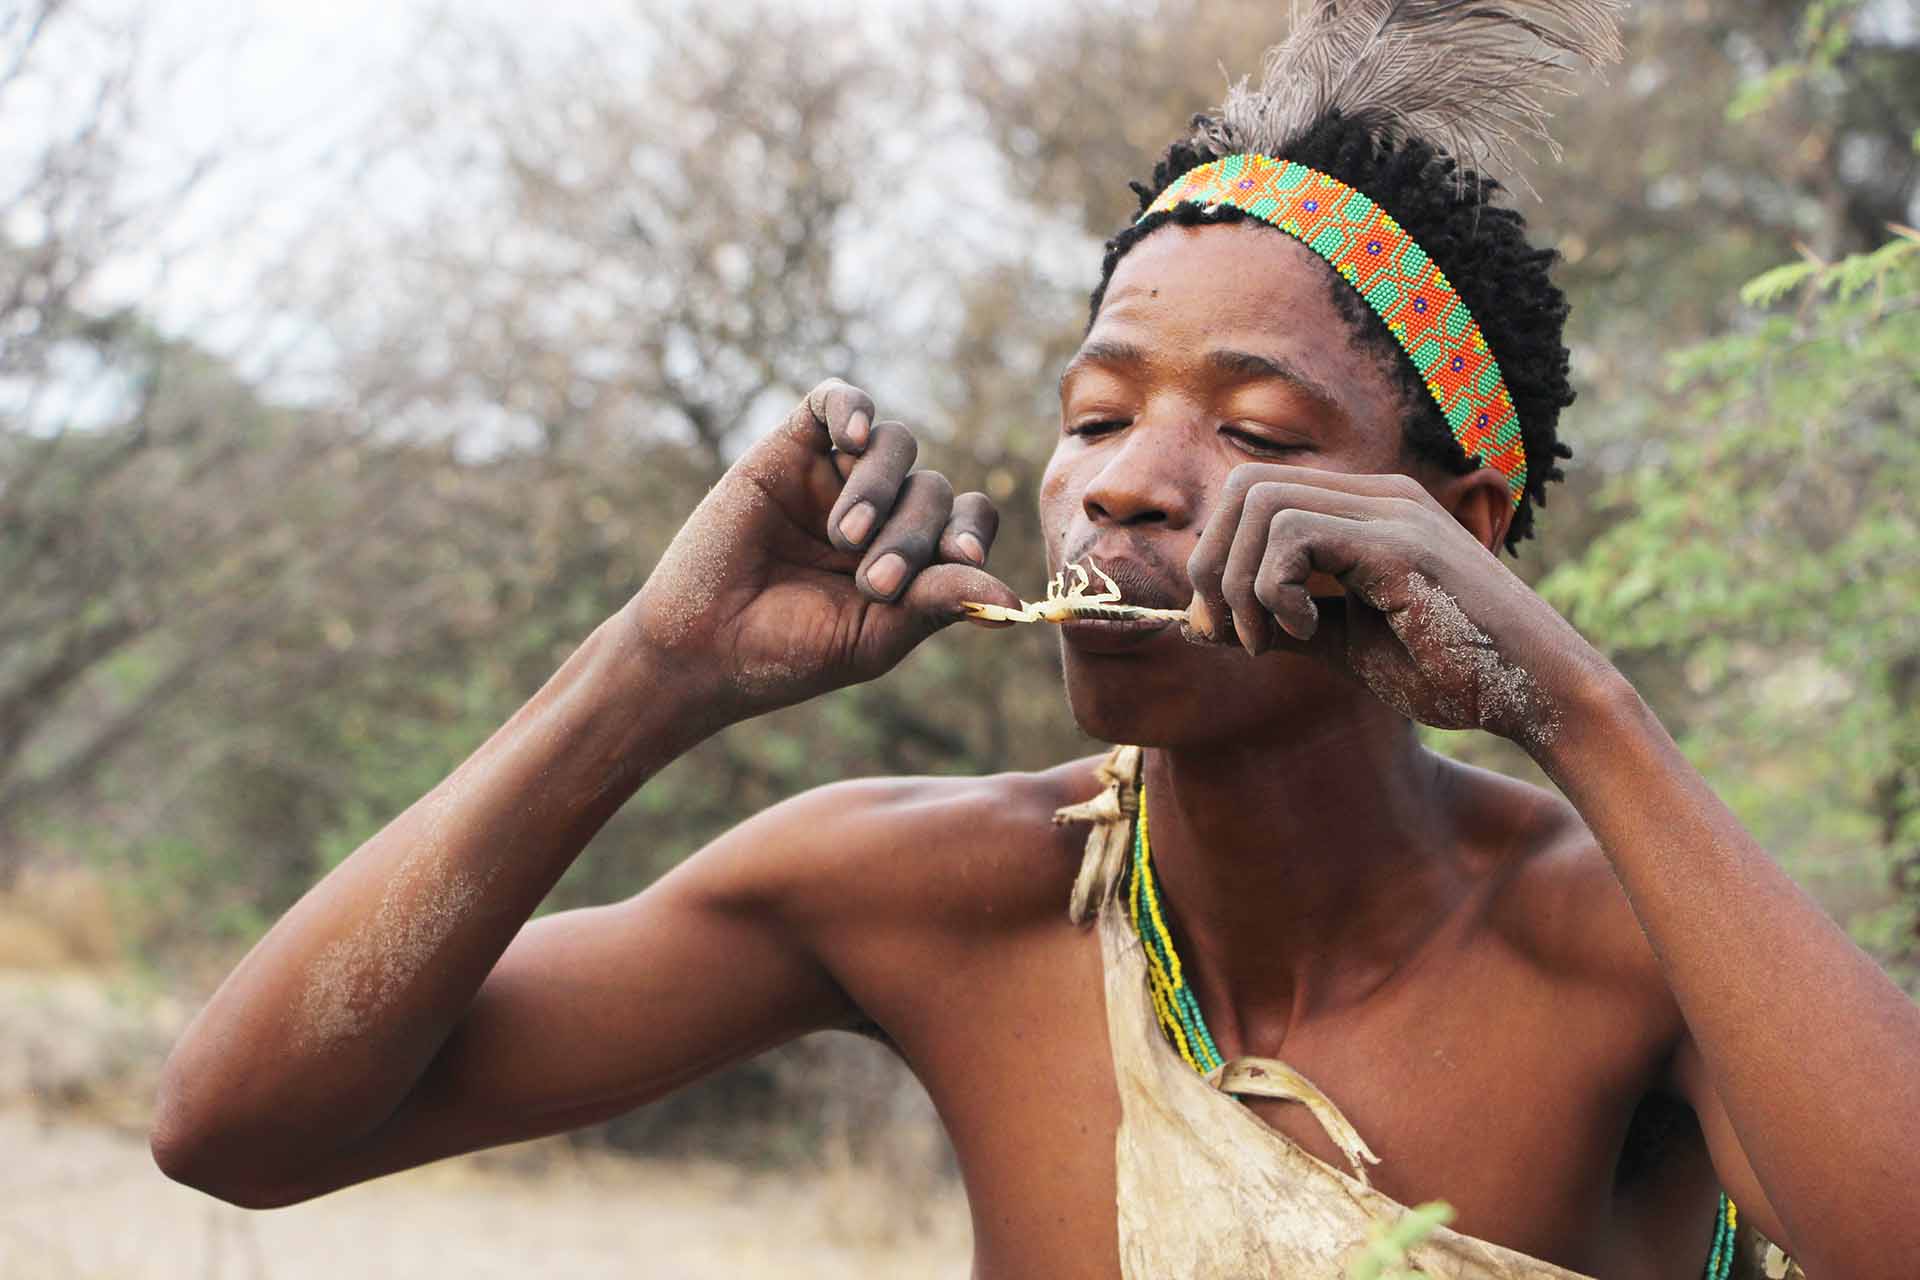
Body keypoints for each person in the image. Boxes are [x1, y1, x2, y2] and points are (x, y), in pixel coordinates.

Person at [152, 5, 1916, 1278]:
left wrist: (1576, 705)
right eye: (1096, 414)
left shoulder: (1615, 949)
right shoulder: (936, 893)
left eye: (1257, 431)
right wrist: (655, 669)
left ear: (1447, 536)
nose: (1128, 490)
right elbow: (237, 1133)